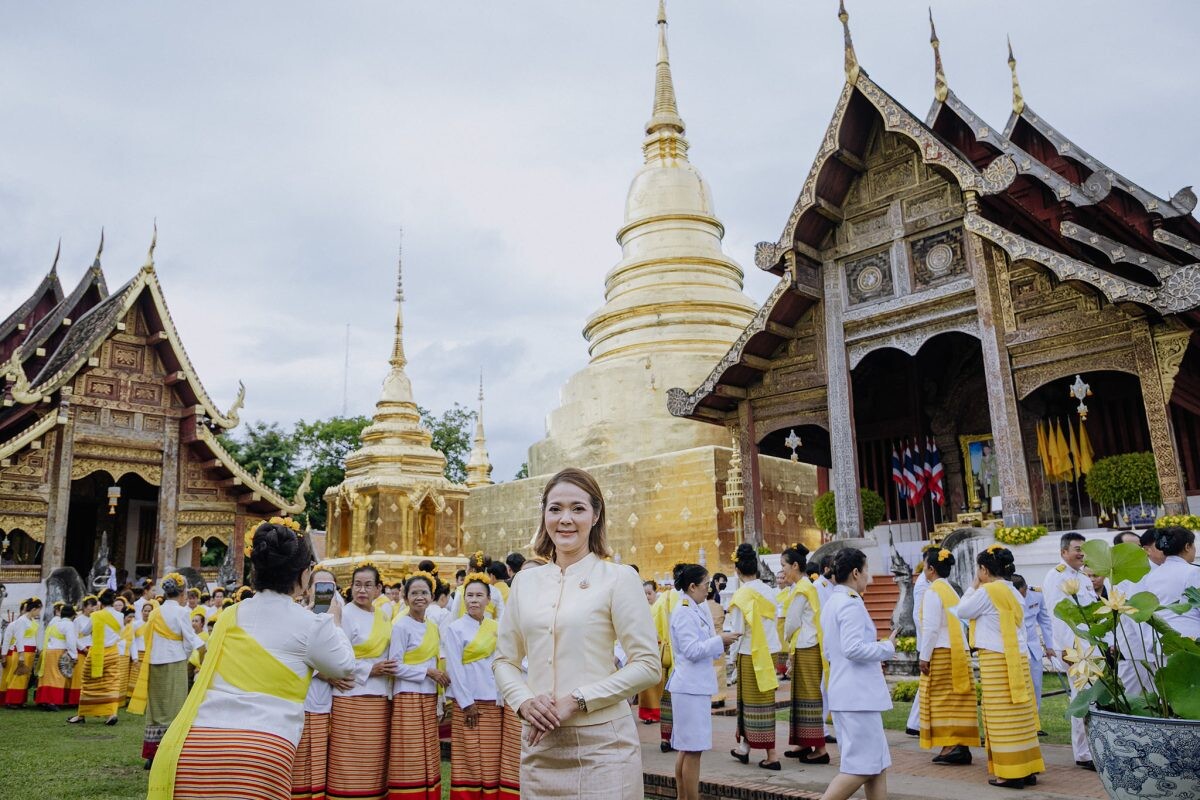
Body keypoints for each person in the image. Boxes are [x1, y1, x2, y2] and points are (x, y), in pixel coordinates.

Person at [145, 518, 356, 800]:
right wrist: (335, 619)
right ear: (304, 575)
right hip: (261, 750)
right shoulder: (313, 624)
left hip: (197, 746)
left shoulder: (230, 616)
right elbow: (343, 666)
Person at [493, 467, 659, 799]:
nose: (565, 519)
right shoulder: (525, 583)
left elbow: (647, 665)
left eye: (577, 508)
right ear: (544, 516)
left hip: (604, 747)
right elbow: (504, 661)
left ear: (595, 515)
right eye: (555, 509)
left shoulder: (618, 578)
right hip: (540, 746)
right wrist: (524, 702)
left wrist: (578, 700)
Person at [957, 545, 1044, 789]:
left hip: (996, 660)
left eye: (979, 569)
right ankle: (1026, 769)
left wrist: (974, 584)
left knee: (1001, 718)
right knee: (1021, 717)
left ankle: (1009, 773)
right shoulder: (1013, 590)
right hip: (1017, 658)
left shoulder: (988, 591)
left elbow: (962, 610)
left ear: (984, 569)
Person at [819, 548, 896, 800]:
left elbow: (833, 651)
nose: (869, 578)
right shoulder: (849, 603)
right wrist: (886, 647)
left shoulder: (834, 601)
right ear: (855, 573)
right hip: (856, 696)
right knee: (861, 767)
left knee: (876, 764)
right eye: (866, 571)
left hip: (851, 693)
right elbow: (852, 649)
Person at [445, 571, 521, 800]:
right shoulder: (455, 629)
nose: (474, 600)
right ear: (464, 598)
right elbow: (455, 670)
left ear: (489, 600)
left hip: (495, 702)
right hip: (469, 703)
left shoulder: (497, 627)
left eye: (479, 595)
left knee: (491, 757)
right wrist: (467, 703)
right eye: (470, 595)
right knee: (468, 757)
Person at [667, 563, 739, 800]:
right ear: (692, 586)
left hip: (692, 686)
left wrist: (720, 641)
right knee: (693, 749)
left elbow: (703, 643)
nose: (708, 589)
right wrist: (720, 640)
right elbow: (691, 649)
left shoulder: (694, 607)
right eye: (706, 585)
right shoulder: (684, 611)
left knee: (687, 747)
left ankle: (683, 796)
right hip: (689, 687)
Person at [327, 563, 394, 800]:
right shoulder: (343, 614)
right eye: (357, 585)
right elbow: (337, 656)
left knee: (374, 757)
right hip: (350, 696)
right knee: (347, 757)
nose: (362, 590)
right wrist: (370, 669)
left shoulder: (384, 616)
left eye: (368, 585)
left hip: (378, 699)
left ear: (378, 589)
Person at [129, 574, 207, 766]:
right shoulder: (181, 612)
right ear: (182, 594)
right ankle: (169, 751)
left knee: (156, 708)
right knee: (175, 707)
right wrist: (195, 653)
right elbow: (190, 640)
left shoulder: (155, 612)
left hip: (155, 661)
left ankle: (151, 754)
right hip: (175, 661)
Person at [387, 571, 447, 800]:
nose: (419, 597)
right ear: (405, 598)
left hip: (428, 695)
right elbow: (394, 666)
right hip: (408, 696)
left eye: (424, 592)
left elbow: (435, 661)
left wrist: (440, 699)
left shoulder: (431, 626)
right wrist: (427, 672)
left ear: (432, 597)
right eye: (414, 593)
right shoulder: (401, 626)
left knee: (429, 752)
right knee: (409, 753)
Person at [916, 548, 977, 765]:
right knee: (956, 699)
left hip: (941, 651)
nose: (923, 570)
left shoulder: (933, 591)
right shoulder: (950, 590)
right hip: (957, 651)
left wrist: (924, 656)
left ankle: (952, 744)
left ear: (931, 569)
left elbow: (931, 628)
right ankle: (959, 745)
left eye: (924, 566)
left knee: (941, 700)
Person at [1041, 532, 1096, 770]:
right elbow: (1057, 615)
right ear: (1064, 552)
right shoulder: (1056, 576)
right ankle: (1083, 753)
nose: (1081, 553)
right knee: (1081, 698)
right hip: (1073, 648)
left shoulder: (1083, 577)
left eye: (1083, 548)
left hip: (1090, 645)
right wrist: (1064, 648)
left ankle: (1092, 748)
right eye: (1076, 549)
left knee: (1092, 698)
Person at [726, 542, 781, 770]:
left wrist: (731, 658)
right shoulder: (770, 591)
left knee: (755, 704)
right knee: (758, 702)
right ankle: (745, 748)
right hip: (771, 649)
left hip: (751, 652)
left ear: (737, 571)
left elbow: (737, 631)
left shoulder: (742, 595)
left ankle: (772, 755)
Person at [780, 543, 828, 764]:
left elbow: (791, 622)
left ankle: (820, 748)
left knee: (809, 696)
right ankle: (804, 742)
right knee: (801, 696)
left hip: (807, 646)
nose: (783, 571)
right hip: (804, 645)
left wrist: (787, 639)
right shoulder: (804, 586)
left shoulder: (802, 588)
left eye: (784, 566)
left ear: (796, 566)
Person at [69, 589, 124, 725]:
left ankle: (82, 714)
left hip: (97, 653)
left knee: (88, 682)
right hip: (113, 653)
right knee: (111, 683)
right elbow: (120, 632)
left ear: (100, 602)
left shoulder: (96, 615)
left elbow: (84, 631)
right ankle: (112, 713)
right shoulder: (120, 615)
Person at [905, 544, 940, 737]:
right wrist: (927, 640)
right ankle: (915, 723)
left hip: (932, 638)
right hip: (928, 638)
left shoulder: (935, 583)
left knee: (929, 683)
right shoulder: (922, 583)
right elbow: (919, 615)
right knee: (927, 683)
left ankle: (917, 722)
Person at [1141, 527, 1200, 640]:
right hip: (1189, 637)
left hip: (1160, 639)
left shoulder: (1153, 575)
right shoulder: (1193, 572)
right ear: (1187, 547)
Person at [1011, 574, 1053, 725]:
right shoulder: (1005, 596)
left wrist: (1050, 646)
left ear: (1025, 587)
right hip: (1014, 649)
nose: (1022, 597)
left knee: (1036, 685)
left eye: (1023, 592)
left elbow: (1044, 620)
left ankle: (1035, 724)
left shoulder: (1036, 594)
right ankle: (1019, 722)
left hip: (1033, 648)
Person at [653, 564, 685, 752]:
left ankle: (666, 737)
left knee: (667, 700)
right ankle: (681, 737)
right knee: (683, 701)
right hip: (685, 659)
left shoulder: (663, 599)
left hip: (667, 657)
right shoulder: (689, 600)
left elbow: (652, 624)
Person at [36, 603, 78, 711]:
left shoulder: (55, 623)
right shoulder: (69, 624)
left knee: (47, 677)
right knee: (58, 677)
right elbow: (71, 642)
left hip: (49, 651)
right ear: (73, 615)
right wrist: (74, 655)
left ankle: (44, 700)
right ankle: (52, 701)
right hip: (59, 652)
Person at [3, 597, 41, 708]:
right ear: (34, 609)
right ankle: (11, 701)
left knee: (25, 677)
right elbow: (19, 639)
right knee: (18, 676)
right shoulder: (22, 621)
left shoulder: (32, 621)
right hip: (22, 652)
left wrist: (38, 649)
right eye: (39, 609)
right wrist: (21, 654)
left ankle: (19, 700)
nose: (39, 612)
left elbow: (34, 637)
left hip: (30, 652)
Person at [69, 595, 99, 706]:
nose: (93, 609)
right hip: (83, 649)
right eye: (91, 606)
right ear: (85, 607)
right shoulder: (78, 620)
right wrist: (84, 648)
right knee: (80, 674)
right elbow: (75, 637)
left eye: (95, 606)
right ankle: (76, 699)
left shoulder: (96, 618)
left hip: (93, 648)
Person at [706, 580, 727, 709]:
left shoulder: (702, 607)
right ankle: (720, 697)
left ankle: (712, 697)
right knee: (720, 670)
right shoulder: (719, 607)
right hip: (720, 639)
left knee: (710, 670)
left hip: (708, 641)